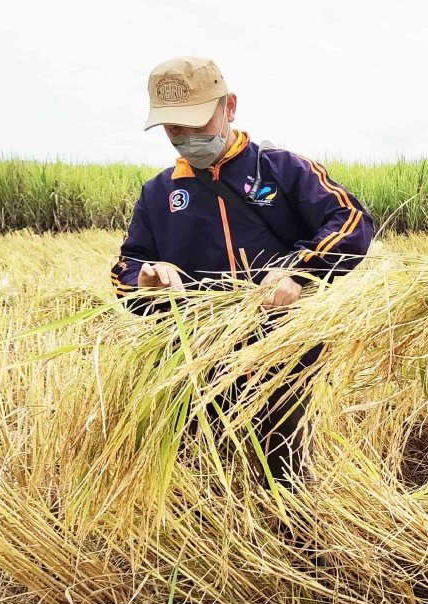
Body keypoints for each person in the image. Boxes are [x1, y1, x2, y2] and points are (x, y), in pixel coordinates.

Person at [111, 56, 374, 481]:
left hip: (283, 354)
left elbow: (351, 221)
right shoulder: (159, 194)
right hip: (199, 361)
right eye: (175, 128)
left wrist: (297, 270)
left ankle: (294, 518)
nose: (188, 137)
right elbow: (127, 265)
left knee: (285, 472)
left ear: (229, 107)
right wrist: (144, 280)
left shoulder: (282, 170)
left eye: (197, 123)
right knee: (205, 474)